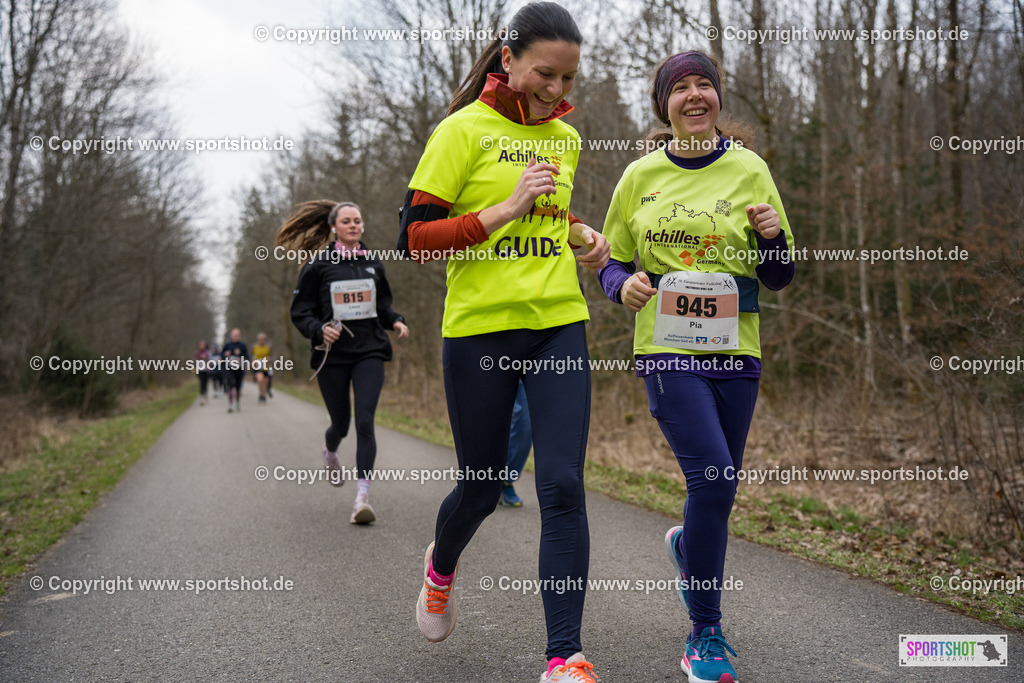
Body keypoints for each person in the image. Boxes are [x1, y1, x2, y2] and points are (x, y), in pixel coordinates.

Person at [402, 3, 609, 680]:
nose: (556, 89)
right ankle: (441, 566)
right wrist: (503, 210)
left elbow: (551, 211)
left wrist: (581, 235)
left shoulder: (567, 139)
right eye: (545, 73)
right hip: (480, 330)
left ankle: (563, 654)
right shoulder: (461, 131)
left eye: (568, 77)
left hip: (556, 323)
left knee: (561, 484)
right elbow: (416, 238)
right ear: (508, 60)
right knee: (483, 486)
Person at [598, 51, 795, 683]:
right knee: (712, 480)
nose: (693, 95)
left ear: (717, 97)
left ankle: (689, 547)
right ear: (664, 105)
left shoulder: (750, 169)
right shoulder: (639, 177)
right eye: (679, 88)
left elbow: (781, 275)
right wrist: (620, 286)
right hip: (667, 348)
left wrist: (771, 239)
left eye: (703, 84)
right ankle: (704, 633)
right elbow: (609, 260)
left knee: (720, 487)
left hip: (737, 351)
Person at [277, 200, 409, 525]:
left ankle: (362, 497)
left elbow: (383, 305)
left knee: (365, 421)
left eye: (358, 221)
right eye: (346, 221)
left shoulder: (373, 263)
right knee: (342, 425)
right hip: (332, 357)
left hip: (369, 351)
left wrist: (395, 321)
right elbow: (300, 312)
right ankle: (330, 451)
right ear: (334, 227)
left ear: (362, 226)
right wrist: (319, 329)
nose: (353, 225)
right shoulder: (318, 265)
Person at [500, 379, 531, 507]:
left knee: (525, 421)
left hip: (527, 364)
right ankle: (480, 477)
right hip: (489, 362)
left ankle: (505, 480)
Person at [221, 328, 250, 413]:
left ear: (239, 336)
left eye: (237, 335)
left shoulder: (242, 345)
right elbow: (222, 355)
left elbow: (247, 356)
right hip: (229, 368)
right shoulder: (227, 345)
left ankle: (237, 402)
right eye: (234, 335)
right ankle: (230, 403)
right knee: (230, 383)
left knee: (238, 386)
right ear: (231, 336)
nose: (235, 337)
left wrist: (240, 354)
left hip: (239, 368)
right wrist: (225, 354)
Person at [252, 333, 271, 403]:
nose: (261, 341)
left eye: (262, 340)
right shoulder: (255, 347)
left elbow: (270, 356)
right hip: (258, 367)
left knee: (265, 382)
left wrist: (268, 358)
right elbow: (253, 356)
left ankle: (263, 395)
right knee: (260, 380)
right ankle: (261, 394)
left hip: (266, 367)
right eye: (260, 340)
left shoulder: (267, 348)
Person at [193, 340, 211, 405]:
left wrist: (206, 357)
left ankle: (205, 395)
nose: (202, 346)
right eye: (200, 345)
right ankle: (201, 396)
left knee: (205, 383)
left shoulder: (208, 353)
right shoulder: (197, 353)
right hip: (200, 370)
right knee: (201, 382)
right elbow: (194, 361)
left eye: (203, 345)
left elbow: (211, 361)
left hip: (206, 370)